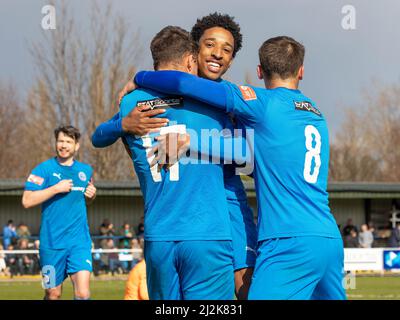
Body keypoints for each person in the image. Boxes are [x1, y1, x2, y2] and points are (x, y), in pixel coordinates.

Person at [132, 35, 346, 300]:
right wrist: (197, 141)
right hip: (329, 240)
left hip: (288, 241)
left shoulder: (263, 103)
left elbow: (180, 82)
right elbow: (255, 156)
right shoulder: (316, 114)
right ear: (301, 71)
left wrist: (139, 78)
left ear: (259, 71)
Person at [92, 13, 257, 300]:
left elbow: (97, 137)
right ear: (192, 57)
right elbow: (248, 155)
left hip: (166, 232)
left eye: (227, 49)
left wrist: (132, 96)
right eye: (209, 45)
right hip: (207, 230)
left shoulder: (133, 102)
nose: (217, 54)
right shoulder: (214, 101)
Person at [22, 125, 97, 300]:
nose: (63, 145)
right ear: (56, 143)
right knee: (53, 293)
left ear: (76, 146)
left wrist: (92, 196)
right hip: (51, 244)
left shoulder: (85, 171)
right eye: (60, 141)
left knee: (83, 293)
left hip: (79, 242)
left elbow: (85, 200)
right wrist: (55, 189)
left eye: (68, 142)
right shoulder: (43, 169)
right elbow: (26, 200)